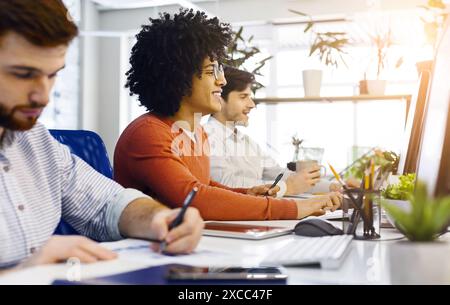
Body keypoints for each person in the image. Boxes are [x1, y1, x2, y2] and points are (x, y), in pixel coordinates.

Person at [0, 0, 203, 274]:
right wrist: (22, 272)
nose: (44, 96)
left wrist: (159, 218)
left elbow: (107, 203)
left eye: (53, 75)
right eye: (24, 75)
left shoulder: (35, 141)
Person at [114, 9, 342, 221]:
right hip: (150, 254)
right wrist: (296, 208)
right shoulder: (148, 133)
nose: (221, 80)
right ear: (179, 79)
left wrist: (248, 193)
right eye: (210, 71)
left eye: (220, 71)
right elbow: (195, 198)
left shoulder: (195, 131)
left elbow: (203, 184)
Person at [204, 66, 343, 197]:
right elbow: (224, 184)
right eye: (243, 97)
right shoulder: (207, 137)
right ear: (219, 98)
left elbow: (280, 174)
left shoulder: (247, 142)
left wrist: (334, 187)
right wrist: (285, 187)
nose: (252, 104)